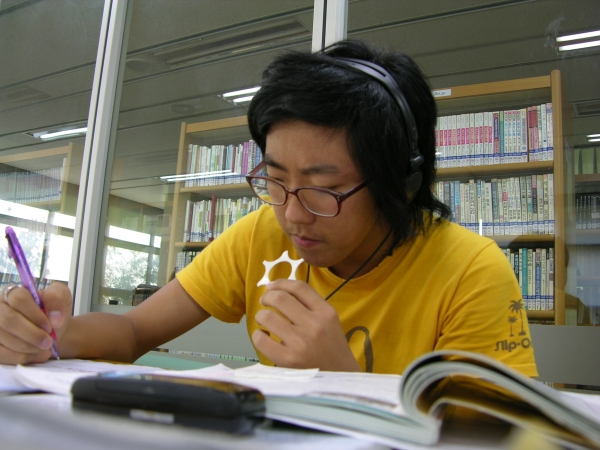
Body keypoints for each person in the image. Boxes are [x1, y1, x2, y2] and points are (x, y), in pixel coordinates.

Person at [0, 40, 537, 376]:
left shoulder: (470, 271)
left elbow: (495, 436)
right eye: (276, 180)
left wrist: (341, 381)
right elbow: (135, 332)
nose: (293, 215)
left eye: (323, 190)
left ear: (402, 182)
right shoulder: (261, 236)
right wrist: (50, 336)